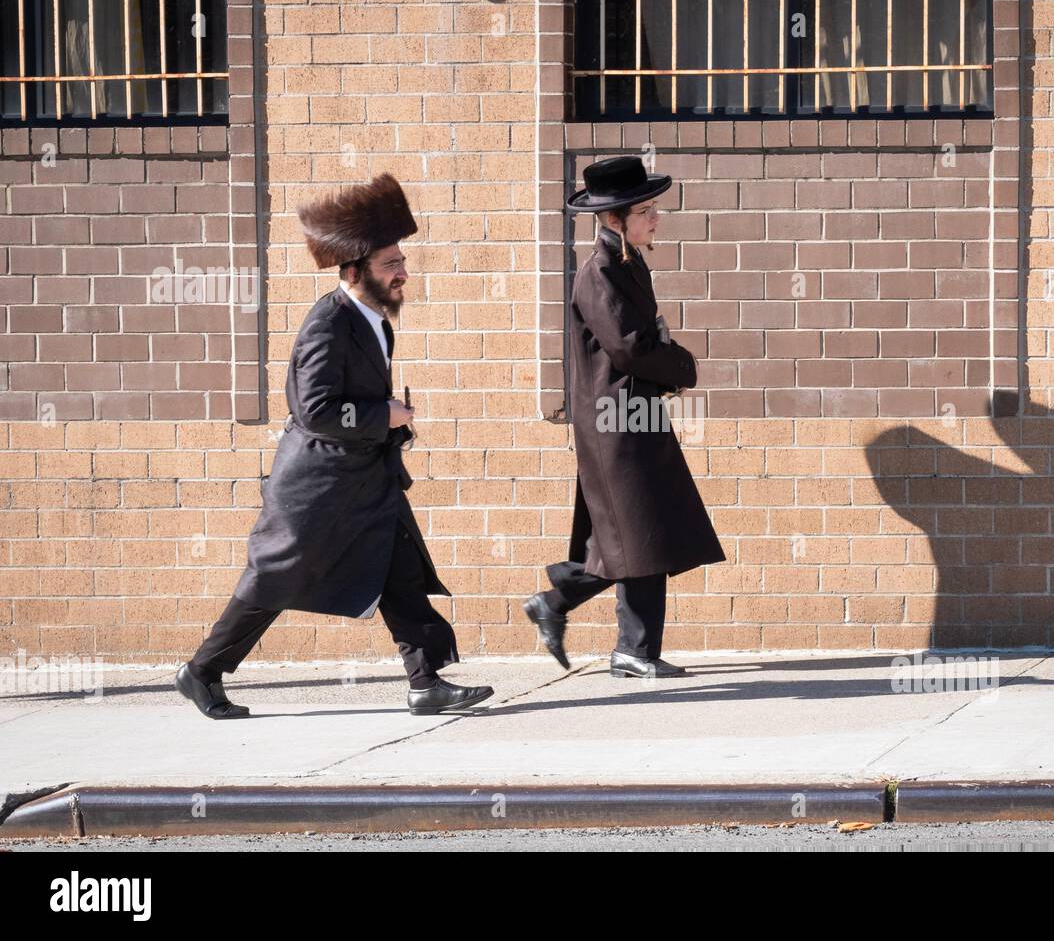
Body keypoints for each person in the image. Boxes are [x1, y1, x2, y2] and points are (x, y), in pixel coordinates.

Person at [175, 173, 493, 718]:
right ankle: (202, 671)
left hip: (369, 477)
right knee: (273, 579)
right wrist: (384, 414)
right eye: (390, 264)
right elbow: (314, 409)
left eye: (402, 262)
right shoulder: (327, 323)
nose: (402, 273)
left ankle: (425, 682)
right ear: (355, 271)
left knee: (402, 572)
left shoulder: (375, 321)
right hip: (317, 487)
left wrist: (387, 425)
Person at [525, 156, 726, 678]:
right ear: (616, 218)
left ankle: (582, 616)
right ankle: (624, 645)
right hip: (615, 423)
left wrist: (669, 370)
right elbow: (631, 348)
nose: (656, 218)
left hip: (634, 414)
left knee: (642, 532)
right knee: (638, 535)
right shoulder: (601, 273)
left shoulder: (628, 262)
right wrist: (683, 365)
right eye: (647, 210)